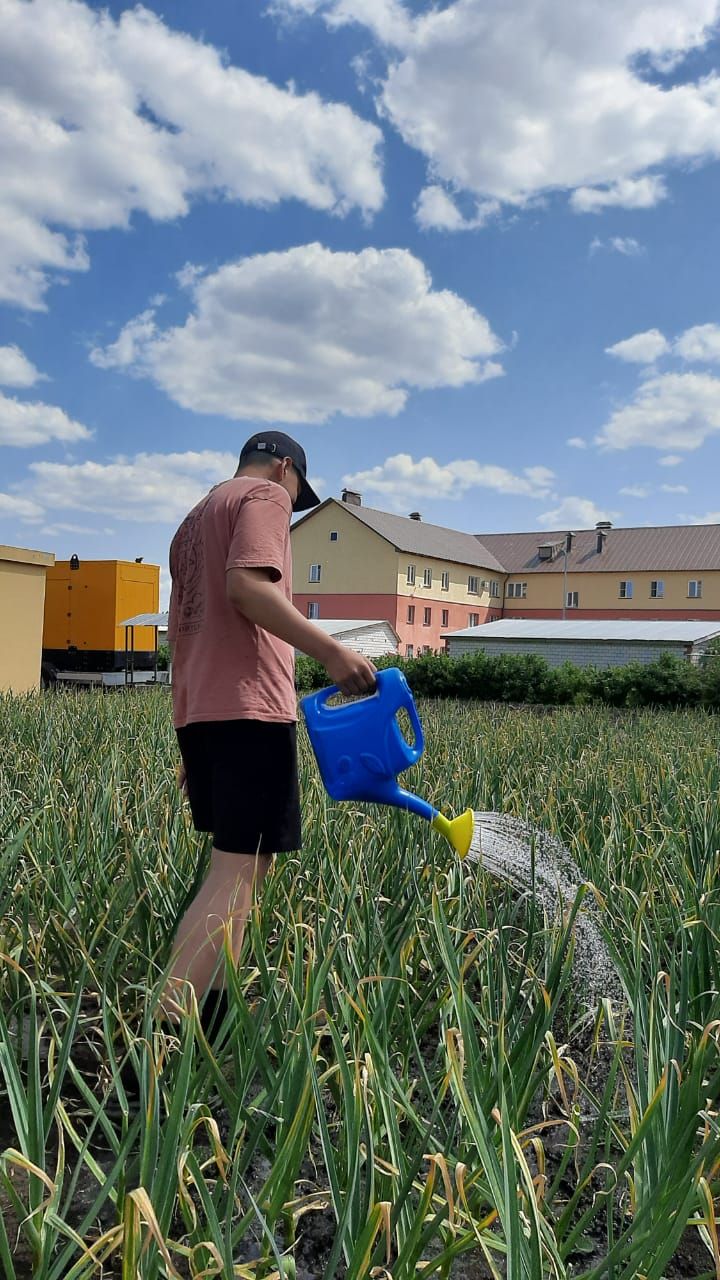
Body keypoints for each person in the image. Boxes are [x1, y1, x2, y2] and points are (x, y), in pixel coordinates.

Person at [163, 431, 376, 1029]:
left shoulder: (193, 519)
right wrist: (331, 652)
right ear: (284, 467)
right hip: (249, 709)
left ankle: (207, 1019)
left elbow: (185, 628)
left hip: (204, 712)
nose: (291, 501)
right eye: (295, 489)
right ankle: (162, 1038)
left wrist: (194, 734)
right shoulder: (263, 496)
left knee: (239, 866)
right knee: (239, 871)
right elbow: (248, 588)